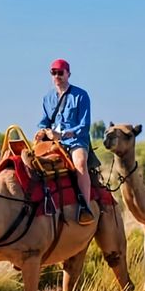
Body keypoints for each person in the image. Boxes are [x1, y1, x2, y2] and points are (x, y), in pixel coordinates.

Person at [36, 58, 93, 223]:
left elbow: (84, 126)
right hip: (53, 142)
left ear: (68, 74)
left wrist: (62, 135)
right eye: (53, 73)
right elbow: (45, 121)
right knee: (35, 162)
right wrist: (41, 131)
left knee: (80, 163)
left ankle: (85, 207)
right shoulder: (47, 98)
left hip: (76, 141)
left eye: (60, 73)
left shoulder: (81, 96)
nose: (57, 76)